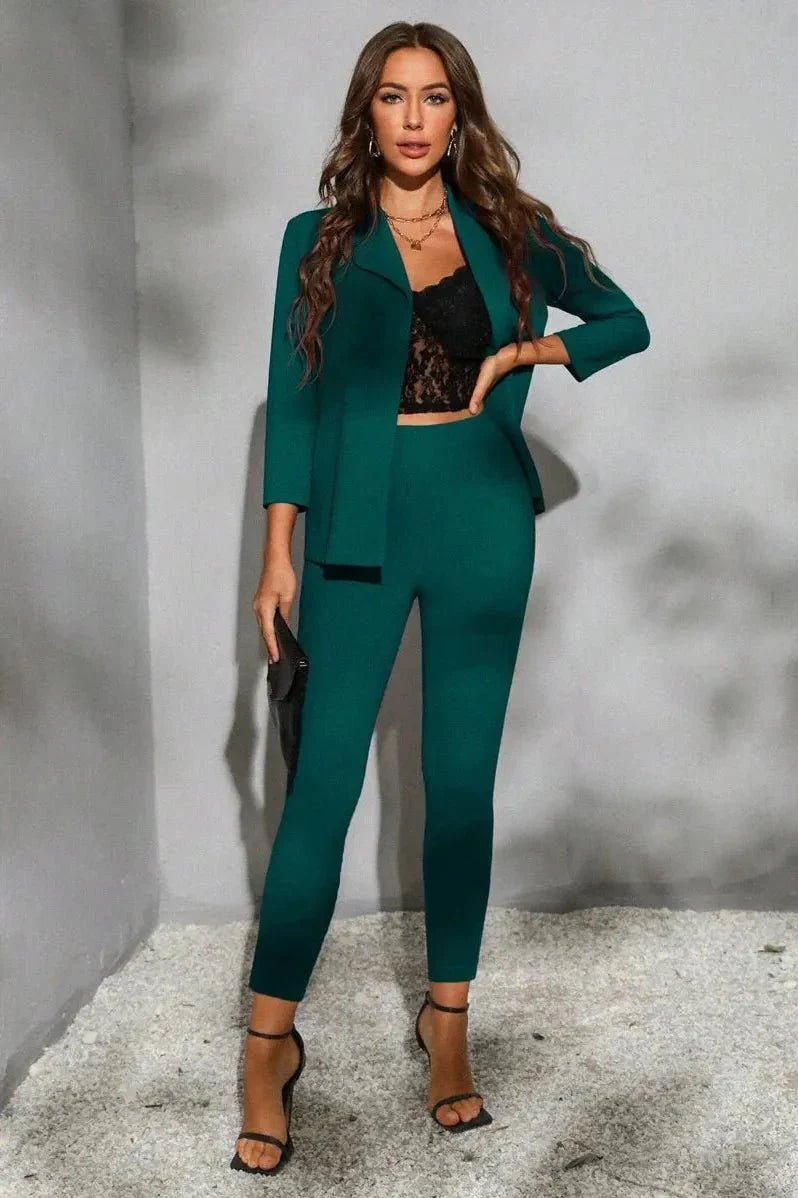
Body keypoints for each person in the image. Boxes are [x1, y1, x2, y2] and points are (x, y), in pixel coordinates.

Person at [231, 20, 650, 1177]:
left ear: (459, 113)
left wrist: (530, 357)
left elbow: (625, 320)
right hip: (354, 532)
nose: (413, 119)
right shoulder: (316, 238)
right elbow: (295, 398)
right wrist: (277, 553)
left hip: (478, 519)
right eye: (392, 97)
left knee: (459, 785)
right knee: (320, 794)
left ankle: (447, 1026)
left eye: (434, 98)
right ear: (365, 114)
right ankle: (269, 1048)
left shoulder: (509, 230)